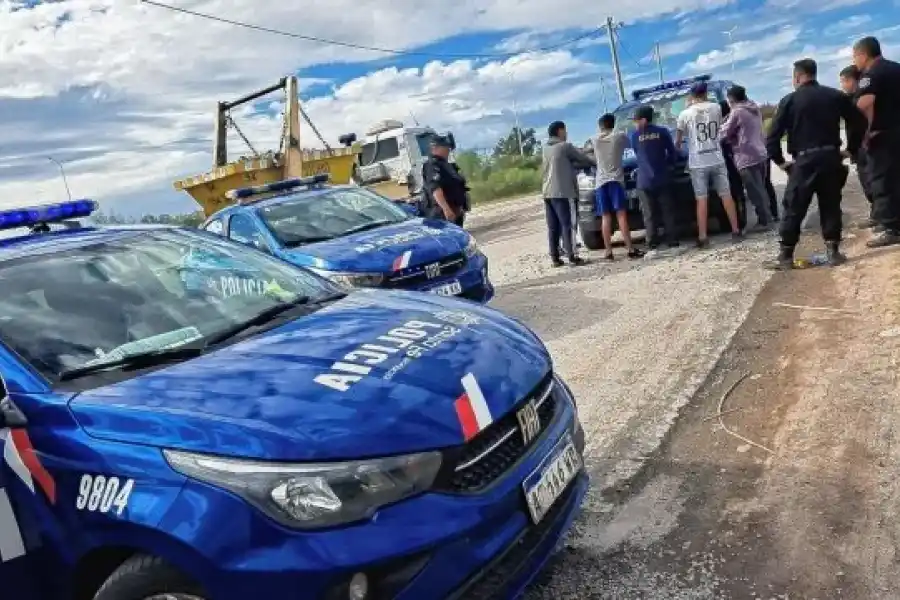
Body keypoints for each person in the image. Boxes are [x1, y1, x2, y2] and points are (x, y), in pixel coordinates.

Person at [765, 58, 865, 268]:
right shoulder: (834, 95)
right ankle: (833, 252)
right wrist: (851, 149)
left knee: (794, 207)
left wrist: (782, 163)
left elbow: (772, 138)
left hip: (804, 160)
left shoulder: (789, 101)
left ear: (798, 77)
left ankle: (785, 256)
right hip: (830, 157)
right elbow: (859, 121)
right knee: (830, 204)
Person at [675, 82, 743, 247]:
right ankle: (736, 230)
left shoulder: (685, 114)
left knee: (701, 199)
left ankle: (703, 236)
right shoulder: (716, 108)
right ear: (706, 93)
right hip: (716, 157)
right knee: (726, 195)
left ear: (691, 95)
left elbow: (677, 141)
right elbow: (719, 126)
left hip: (698, 161)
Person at [853, 36, 900, 247]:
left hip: (883, 135)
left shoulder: (870, 74)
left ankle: (891, 228)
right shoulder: (896, 68)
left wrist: (866, 132)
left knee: (883, 181)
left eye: (855, 57)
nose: (855, 62)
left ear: (863, 55)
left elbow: (865, 103)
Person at [591, 113, 643, 260]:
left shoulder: (594, 140)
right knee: (621, 215)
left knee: (605, 217)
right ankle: (630, 248)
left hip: (600, 182)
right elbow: (630, 144)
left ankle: (608, 251)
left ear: (600, 126)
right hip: (616, 181)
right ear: (613, 124)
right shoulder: (618, 136)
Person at [541, 120, 594, 267]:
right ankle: (573, 256)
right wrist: (595, 161)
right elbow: (583, 159)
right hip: (564, 192)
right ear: (560, 131)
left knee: (553, 226)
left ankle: (555, 257)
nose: (567, 133)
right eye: (565, 130)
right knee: (568, 224)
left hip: (547, 192)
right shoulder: (565, 147)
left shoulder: (545, 148)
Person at [630, 105, 680, 255]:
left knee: (649, 213)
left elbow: (637, 153)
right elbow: (672, 153)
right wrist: (670, 165)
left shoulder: (634, 136)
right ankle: (672, 240)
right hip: (662, 177)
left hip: (644, 180)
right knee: (667, 210)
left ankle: (652, 242)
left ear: (644, 120)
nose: (635, 123)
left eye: (636, 120)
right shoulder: (663, 132)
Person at [721, 85, 772, 231]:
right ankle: (767, 217)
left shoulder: (737, 112)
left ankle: (764, 222)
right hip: (760, 153)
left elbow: (725, 132)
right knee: (761, 188)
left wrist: (716, 132)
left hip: (746, 156)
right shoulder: (753, 108)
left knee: (754, 191)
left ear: (731, 99)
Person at [839, 64, 876, 227]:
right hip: (860, 147)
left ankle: (885, 218)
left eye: (844, 81)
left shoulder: (862, 99)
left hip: (868, 146)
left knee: (872, 182)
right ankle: (877, 214)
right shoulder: (849, 100)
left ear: (854, 80)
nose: (842, 85)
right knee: (868, 182)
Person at [421, 134, 469, 227]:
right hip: (442, 213)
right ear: (436, 148)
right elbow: (435, 189)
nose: (448, 151)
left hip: (454, 211)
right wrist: (446, 209)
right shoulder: (432, 165)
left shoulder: (446, 165)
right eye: (446, 148)